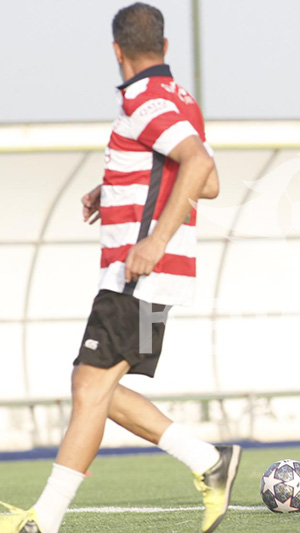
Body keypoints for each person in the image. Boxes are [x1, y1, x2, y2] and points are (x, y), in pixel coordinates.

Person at [0, 4, 240, 532]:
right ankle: (208, 461)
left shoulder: (144, 97)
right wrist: (110, 190)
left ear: (117, 50)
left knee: (89, 389)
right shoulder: (179, 99)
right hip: (157, 276)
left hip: (139, 271)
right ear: (165, 47)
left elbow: (199, 167)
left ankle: (45, 520)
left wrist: (154, 239)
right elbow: (210, 180)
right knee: (93, 388)